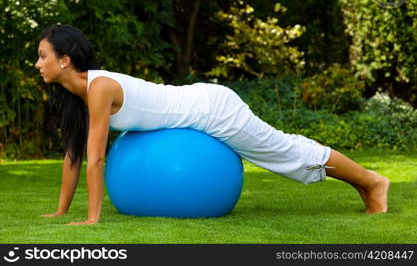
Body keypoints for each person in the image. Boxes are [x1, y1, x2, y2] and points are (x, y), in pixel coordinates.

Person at [37, 24, 390, 225]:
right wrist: (61, 211)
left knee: (282, 152)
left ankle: (372, 182)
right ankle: (362, 185)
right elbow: (74, 157)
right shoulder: (78, 96)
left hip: (211, 110)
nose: (38, 64)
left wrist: (93, 219)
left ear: (65, 60)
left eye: (43, 56)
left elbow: (96, 159)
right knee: (282, 150)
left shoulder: (100, 88)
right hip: (196, 109)